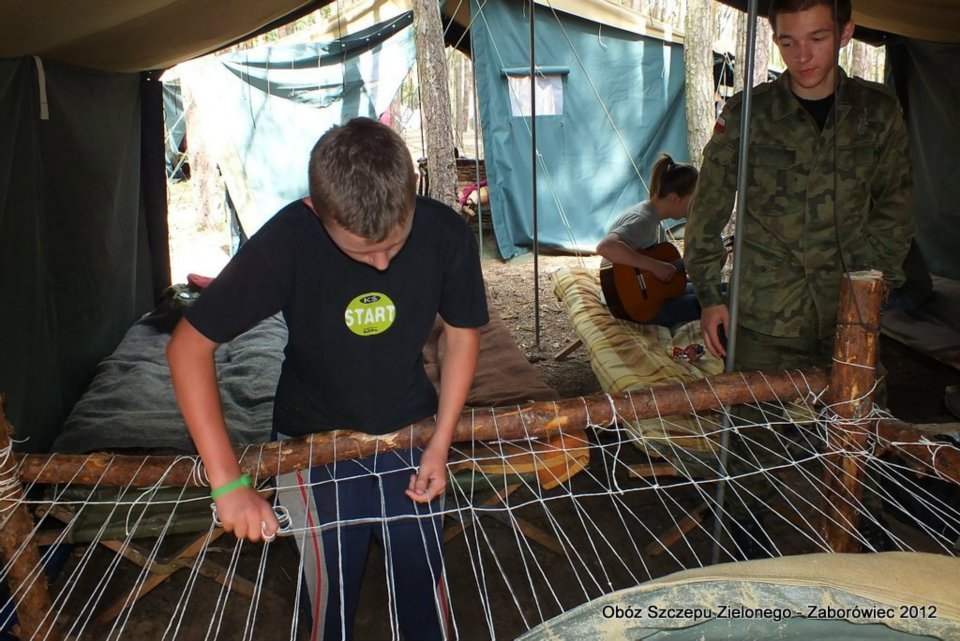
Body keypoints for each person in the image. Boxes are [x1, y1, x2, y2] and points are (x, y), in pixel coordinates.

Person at [166, 117, 488, 639]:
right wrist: (227, 482)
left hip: (412, 430)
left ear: (413, 189)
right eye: (361, 251)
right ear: (317, 210)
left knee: (422, 579)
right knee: (329, 590)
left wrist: (441, 442)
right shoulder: (288, 241)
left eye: (394, 245)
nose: (380, 264)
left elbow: (460, 334)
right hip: (310, 442)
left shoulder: (446, 232)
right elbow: (187, 348)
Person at [684, 0, 915, 558]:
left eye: (817, 38)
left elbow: (896, 207)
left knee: (864, 431)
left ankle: (867, 546)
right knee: (750, 442)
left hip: (849, 310)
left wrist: (875, 286)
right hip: (767, 309)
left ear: (846, 32)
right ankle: (745, 558)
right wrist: (711, 295)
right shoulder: (749, 113)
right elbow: (707, 209)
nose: (802, 56)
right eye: (788, 41)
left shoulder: (876, 112)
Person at [596, 153, 701, 328]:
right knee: (718, 299)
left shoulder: (655, 221)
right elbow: (606, 247)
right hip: (634, 306)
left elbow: (664, 273)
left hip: (645, 299)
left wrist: (699, 261)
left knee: (717, 289)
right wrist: (655, 266)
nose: (697, 206)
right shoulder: (642, 219)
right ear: (674, 198)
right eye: (694, 200)